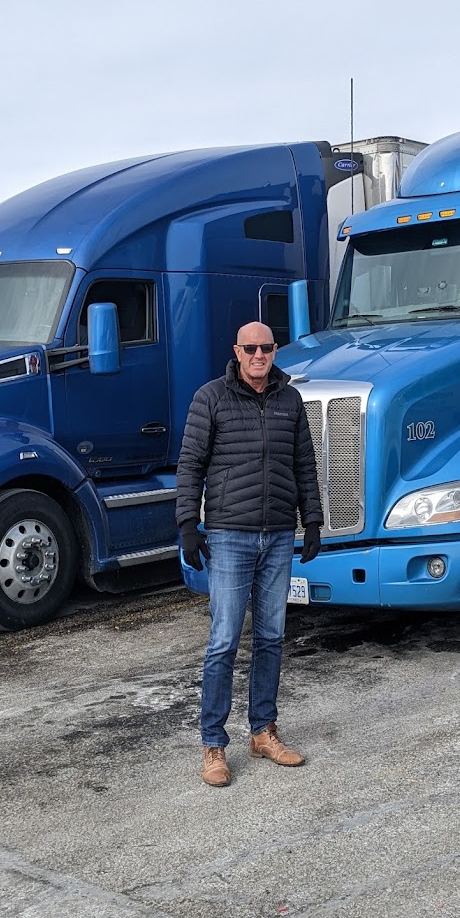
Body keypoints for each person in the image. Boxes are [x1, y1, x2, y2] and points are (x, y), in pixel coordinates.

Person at [176, 321, 323, 788]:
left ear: (275, 351)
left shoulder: (290, 400)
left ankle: (263, 732)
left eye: (266, 348)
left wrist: (312, 521)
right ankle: (213, 745)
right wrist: (188, 525)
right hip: (229, 536)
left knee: (271, 637)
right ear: (237, 351)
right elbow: (191, 464)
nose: (259, 355)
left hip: (278, 534)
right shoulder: (210, 398)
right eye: (250, 348)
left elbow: (304, 464)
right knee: (223, 640)